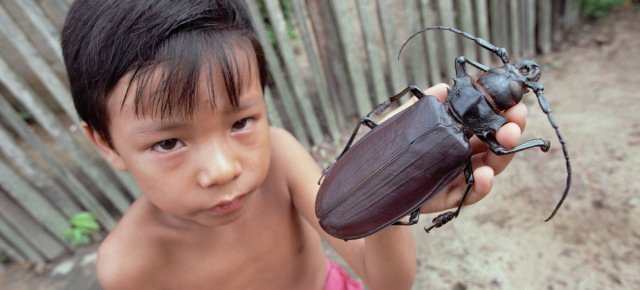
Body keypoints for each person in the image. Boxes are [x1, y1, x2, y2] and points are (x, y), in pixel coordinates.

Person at [61, 1, 527, 289]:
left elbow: (389, 283)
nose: (223, 168)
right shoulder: (126, 267)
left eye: (241, 121)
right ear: (105, 143)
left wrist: (393, 188)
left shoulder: (280, 159)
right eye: (168, 143)